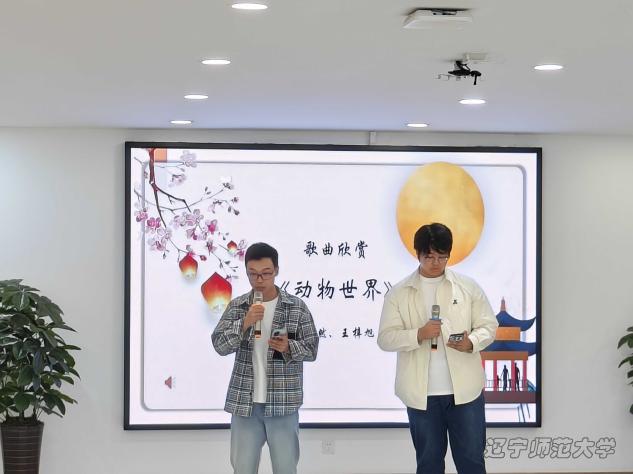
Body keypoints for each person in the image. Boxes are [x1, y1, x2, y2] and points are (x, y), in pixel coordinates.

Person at [377, 223, 498, 474]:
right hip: (421, 395)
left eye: (442, 257)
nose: (436, 263)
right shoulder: (399, 293)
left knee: (472, 463)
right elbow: (385, 338)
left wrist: (471, 342)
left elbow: (489, 326)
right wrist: (418, 334)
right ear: (417, 254)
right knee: (429, 464)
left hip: (465, 392)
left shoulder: (468, 287)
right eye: (429, 256)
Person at [212, 242, 319, 474]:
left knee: (285, 468)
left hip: (283, 402)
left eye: (266, 273)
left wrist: (289, 346)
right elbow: (219, 345)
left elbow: (312, 349)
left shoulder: (296, 307)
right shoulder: (239, 306)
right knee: (243, 468)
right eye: (253, 274)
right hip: (245, 403)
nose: (259, 280)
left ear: (276, 270)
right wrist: (244, 323)